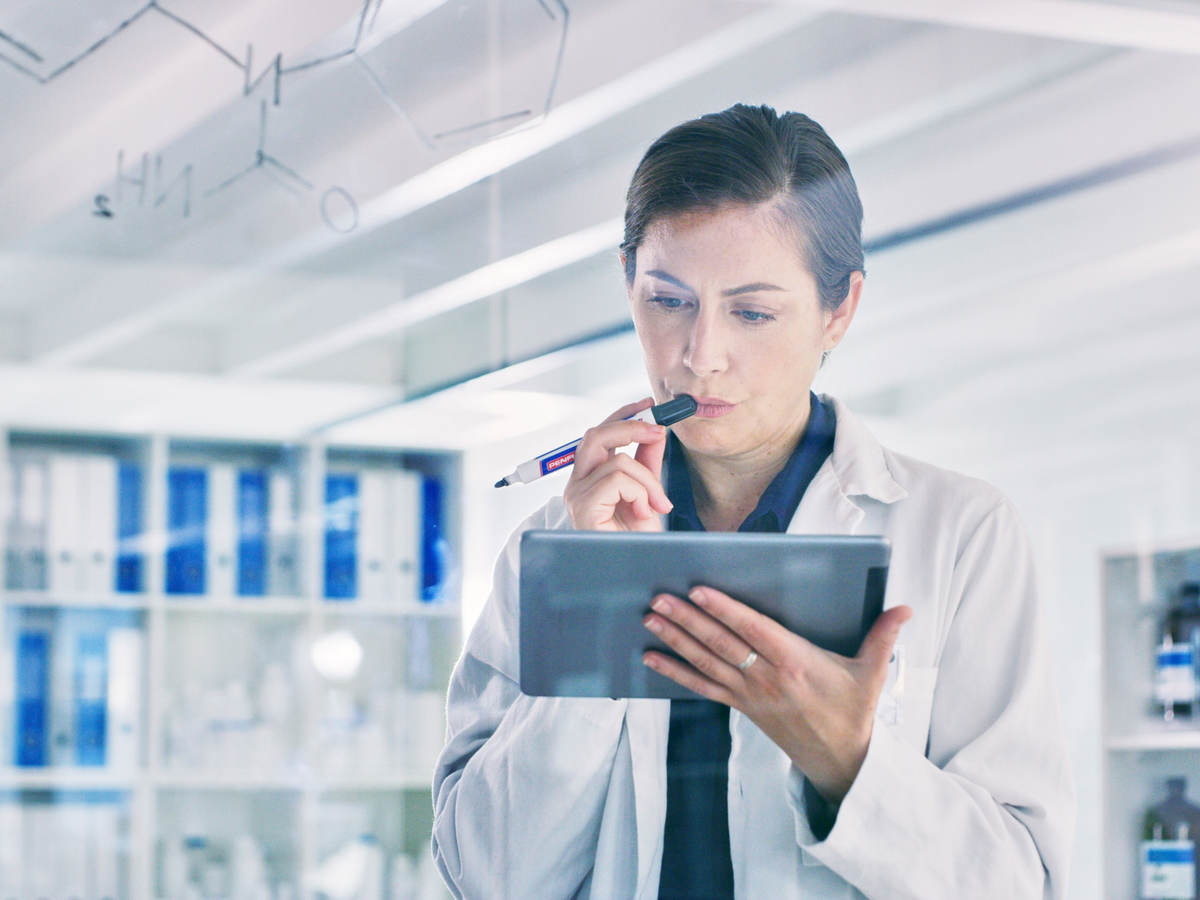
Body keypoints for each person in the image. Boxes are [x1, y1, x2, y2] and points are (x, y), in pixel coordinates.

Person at [431, 103, 1075, 899]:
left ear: (839, 310)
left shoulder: (961, 535)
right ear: (627, 281)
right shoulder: (554, 546)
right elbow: (485, 878)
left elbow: (1023, 884)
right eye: (668, 301)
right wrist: (594, 598)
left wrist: (848, 763)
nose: (700, 357)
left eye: (752, 312)